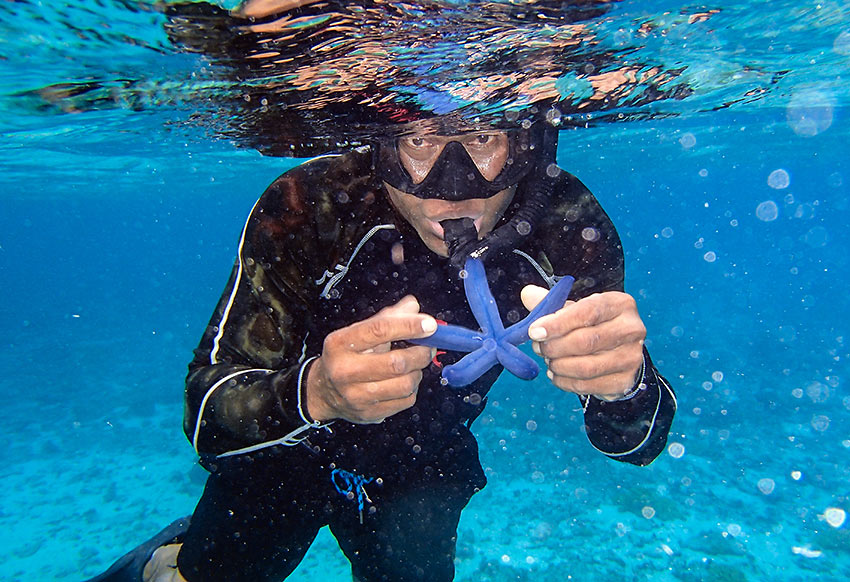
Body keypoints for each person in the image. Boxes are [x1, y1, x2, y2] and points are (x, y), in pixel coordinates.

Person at [87, 115, 676, 582]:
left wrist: (623, 383)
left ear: (530, 142)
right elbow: (206, 419)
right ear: (378, 145)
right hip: (282, 451)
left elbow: (634, 444)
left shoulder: (566, 226)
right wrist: (315, 392)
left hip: (422, 462)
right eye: (418, 142)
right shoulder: (309, 205)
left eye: (482, 139)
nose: (451, 190)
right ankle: (159, 564)